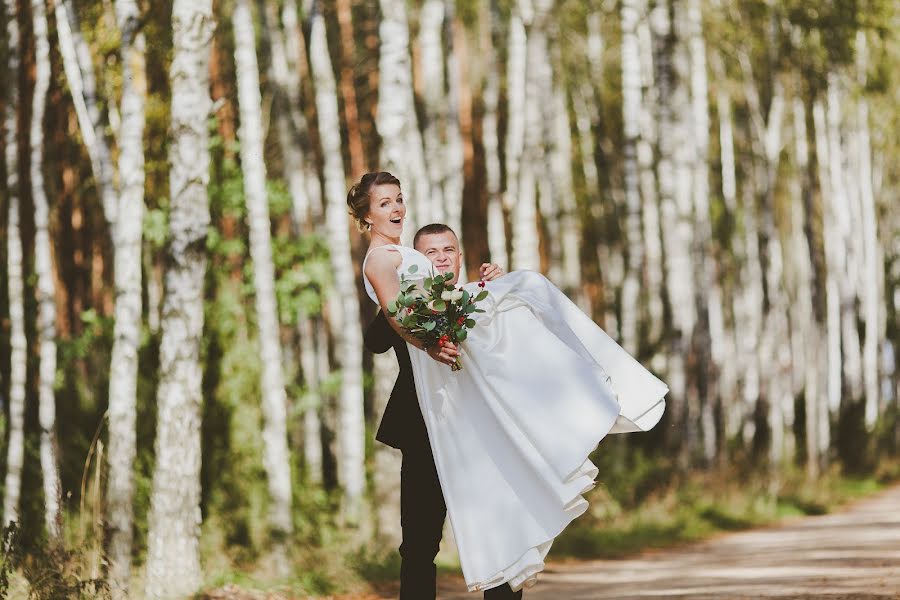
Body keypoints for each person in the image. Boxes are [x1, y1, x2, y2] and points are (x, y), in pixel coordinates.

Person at [352, 171, 668, 594]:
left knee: (500, 521)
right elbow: (383, 328)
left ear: (459, 256)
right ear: (369, 216)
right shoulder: (395, 273)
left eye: (399, 199)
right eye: (385, 202)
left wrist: (492, 295)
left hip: (482, 422)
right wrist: (423, 326)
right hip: (423, 426)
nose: (396, 209)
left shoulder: (459, 291)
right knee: (421, 539)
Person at [364, 223, 515, 600]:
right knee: (418, 544)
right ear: (417, 262)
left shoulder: (478, 297)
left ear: (460, 257)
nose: (442, 257)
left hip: (482, 435)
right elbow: (374, 342)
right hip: (424, 435)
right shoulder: (403, 304)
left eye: (449, 249)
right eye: (431, 253)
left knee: (498, 536)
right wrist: (397, 300)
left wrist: (501, 288)